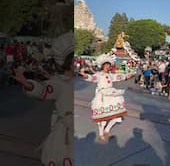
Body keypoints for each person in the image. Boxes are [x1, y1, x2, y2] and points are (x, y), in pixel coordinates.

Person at [12, 32, 74, 166]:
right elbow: (43, 90)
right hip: (65, 136)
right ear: (69, 63)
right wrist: (27, 84)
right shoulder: (60, 83)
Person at [79, 54, 134, 143]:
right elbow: (92, 78)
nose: (108, 67)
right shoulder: (99, 75)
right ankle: (101, 134)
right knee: (103, 117)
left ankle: (107, 130)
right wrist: (84, 75)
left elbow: (119, 77)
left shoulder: (110, 75)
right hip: (103, 96)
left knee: (117, 115)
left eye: (109, 65)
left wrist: (128, 76)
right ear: (103, 66)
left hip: (112, 94)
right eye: (106, 65)